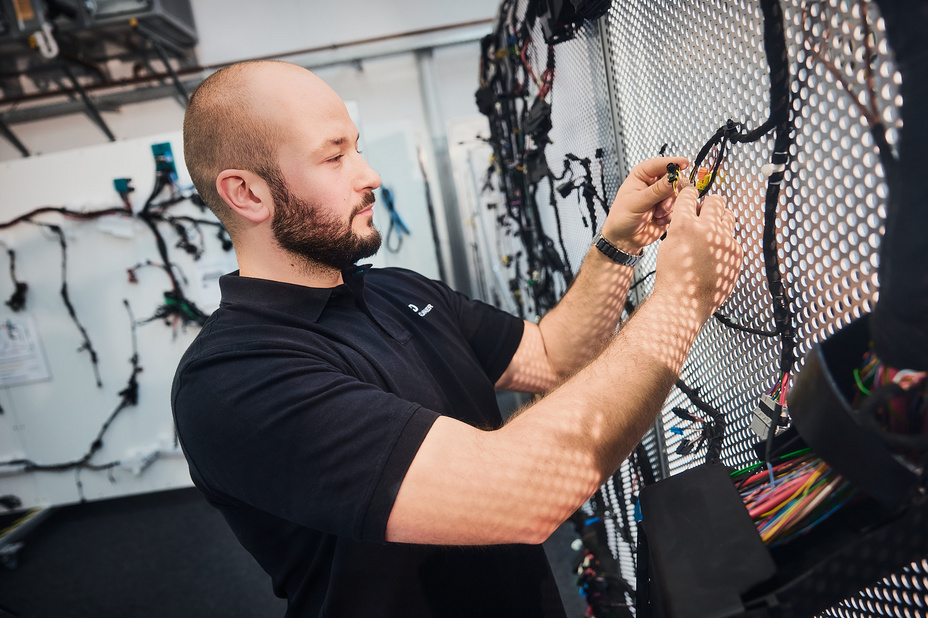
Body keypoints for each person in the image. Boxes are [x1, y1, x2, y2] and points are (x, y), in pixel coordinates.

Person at [172, 60, 743, 617]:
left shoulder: (396, 291)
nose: (368, 174)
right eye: (334, 155)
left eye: (358, 147)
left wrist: (620, 245)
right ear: (246, 193)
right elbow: (523, 493)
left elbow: (550, 356)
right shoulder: (234, 378)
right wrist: (682, 298)